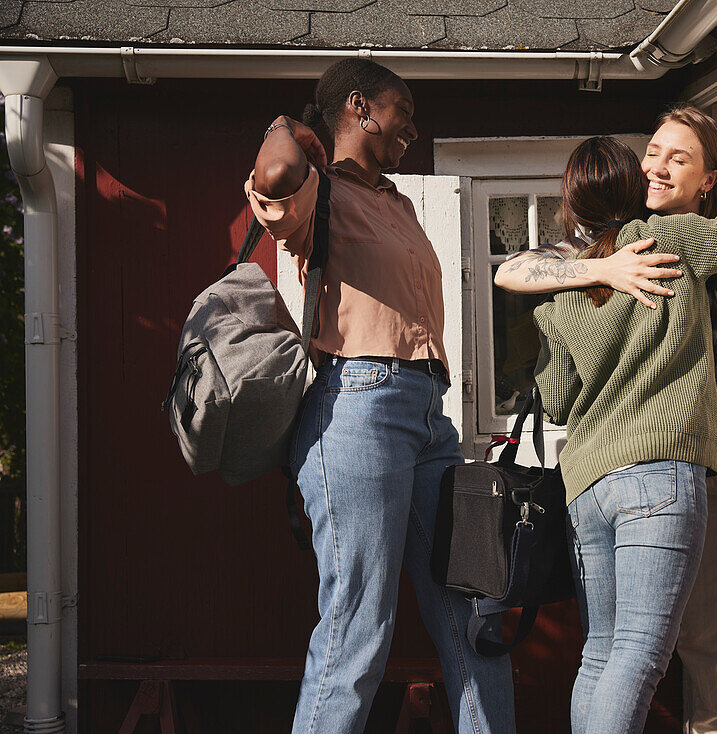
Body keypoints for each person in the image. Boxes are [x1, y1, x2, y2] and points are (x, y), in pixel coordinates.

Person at [246, 59, 515, 734]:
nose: (413, 128)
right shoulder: (317, 192)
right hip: (358, 407)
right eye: (404, 110)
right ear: (360, 107)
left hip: (430, 415)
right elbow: (274, 175)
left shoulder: (394, 201)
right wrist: (290, 122)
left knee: (474, 611)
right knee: (359, 623)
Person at [497, 105, 717, 734]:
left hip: (588, 482)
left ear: (569, 203)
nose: (659, 166)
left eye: (675, 157)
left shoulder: (560, 290)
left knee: (601, 651)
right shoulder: (669, 242)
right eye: (652, 158)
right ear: (634, 189)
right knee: (638, 652)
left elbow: (558, 392)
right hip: (659, 472)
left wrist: (591, 274)